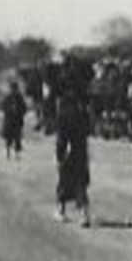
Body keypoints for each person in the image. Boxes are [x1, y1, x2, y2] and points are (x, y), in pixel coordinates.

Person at [55, 91, 92, 226]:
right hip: (81, 153)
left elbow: (61, 140)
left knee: (64, 183)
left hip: (68, 154)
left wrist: (59, 157)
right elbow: (87, 132)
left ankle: (61, 212)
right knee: (81, 184)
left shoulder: (62, 116)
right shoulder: (83, 115)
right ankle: (85, 216)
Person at [0, 80, 28, 159]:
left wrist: (18, 111)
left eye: (14, 89)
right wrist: (10, 110)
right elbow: (3, 107)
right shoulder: (9, 97)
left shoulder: (19, 98)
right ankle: (8, 152)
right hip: (11, 120)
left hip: (15, 121)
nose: (13, 90)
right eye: (12, 89)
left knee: (16, 138)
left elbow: (24, 109)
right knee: (10, 137)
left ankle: (16, 154)